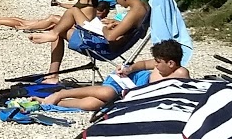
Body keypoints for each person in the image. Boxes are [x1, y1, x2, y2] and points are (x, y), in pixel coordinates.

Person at [30, 0, 148, 78]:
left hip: (104, 47)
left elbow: (111, 37)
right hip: (110, 43)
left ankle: (53, 73)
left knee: (65, 24)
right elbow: (136, 31)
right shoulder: (144, 7)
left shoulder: (134, 12)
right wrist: (117, 24)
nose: (117, 3)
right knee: (74, 11)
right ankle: (53, 37)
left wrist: (103, 27)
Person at [37, 40, 188, 112]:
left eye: (158, 62)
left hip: (132, 93)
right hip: (128, 81)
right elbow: (142, 65)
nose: (155, 65)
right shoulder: (162, 68)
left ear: (171, 64)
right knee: (107, 92)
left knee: (93, 105)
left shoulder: (180, 74)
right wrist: (129, 69)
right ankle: (61, 93)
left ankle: (55, 102)